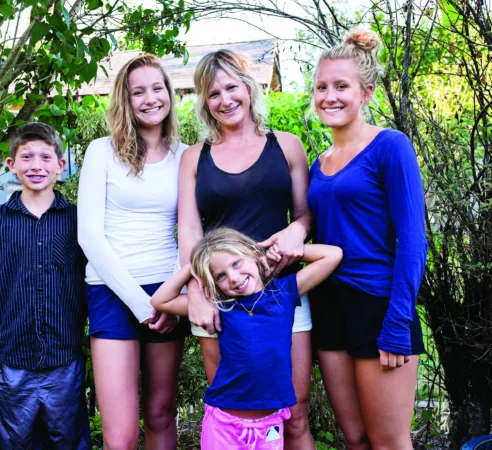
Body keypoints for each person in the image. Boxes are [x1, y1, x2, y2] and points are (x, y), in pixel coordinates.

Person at [178, 49, 315, 448]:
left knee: (295, 413)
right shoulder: (193, 157)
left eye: (231, 87)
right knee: (237, 415)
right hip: (219, 301)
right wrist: (197, 292)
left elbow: (307, 216)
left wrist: (297, 230)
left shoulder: (287, 146)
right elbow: (188, 229)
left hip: (283, 295)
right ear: (204, 102)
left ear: (248, 87)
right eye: (213, 93)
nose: (224, 99)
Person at [307, 29, 427, 450]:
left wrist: (397, 323)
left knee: (388, 442)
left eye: (341, 86)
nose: (329, 96)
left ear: (367, 93)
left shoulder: (391, 147)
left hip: (378, 306)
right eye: (322, 87)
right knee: (355, 439)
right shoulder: (316, 163)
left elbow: (413, 241)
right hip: (329, 305)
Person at [77, 55, 188, 450]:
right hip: (111, 290)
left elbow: (191, 230)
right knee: (120, 434)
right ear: (125, 99)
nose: (149, 99)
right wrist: (144, 305)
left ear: (169, 94)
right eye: (137, 91)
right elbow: (89, 236)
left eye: (157, 88)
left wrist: (173, 297)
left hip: (168, 289)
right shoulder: (100, 152)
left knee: (160, 413)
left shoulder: (185, 155)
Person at [151, 228, 342, 450]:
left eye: (236, 263)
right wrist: (193, 267)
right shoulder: (222, 306)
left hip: (270, 425)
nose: (233, 277)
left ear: (252, 254)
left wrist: (273, 250)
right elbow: (160, 300)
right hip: (223, 426)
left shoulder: (283, 293)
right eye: (220, 276)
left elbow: (333, 255)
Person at [0, 123, 90, 449]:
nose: (36, 165)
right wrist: (12, 326)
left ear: (60, 165)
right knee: (13, 439)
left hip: (63, 358)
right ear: (11, 165)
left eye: (45, 157)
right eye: (26, 157)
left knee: (66, 439)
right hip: (14, 360)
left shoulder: (79, 220)